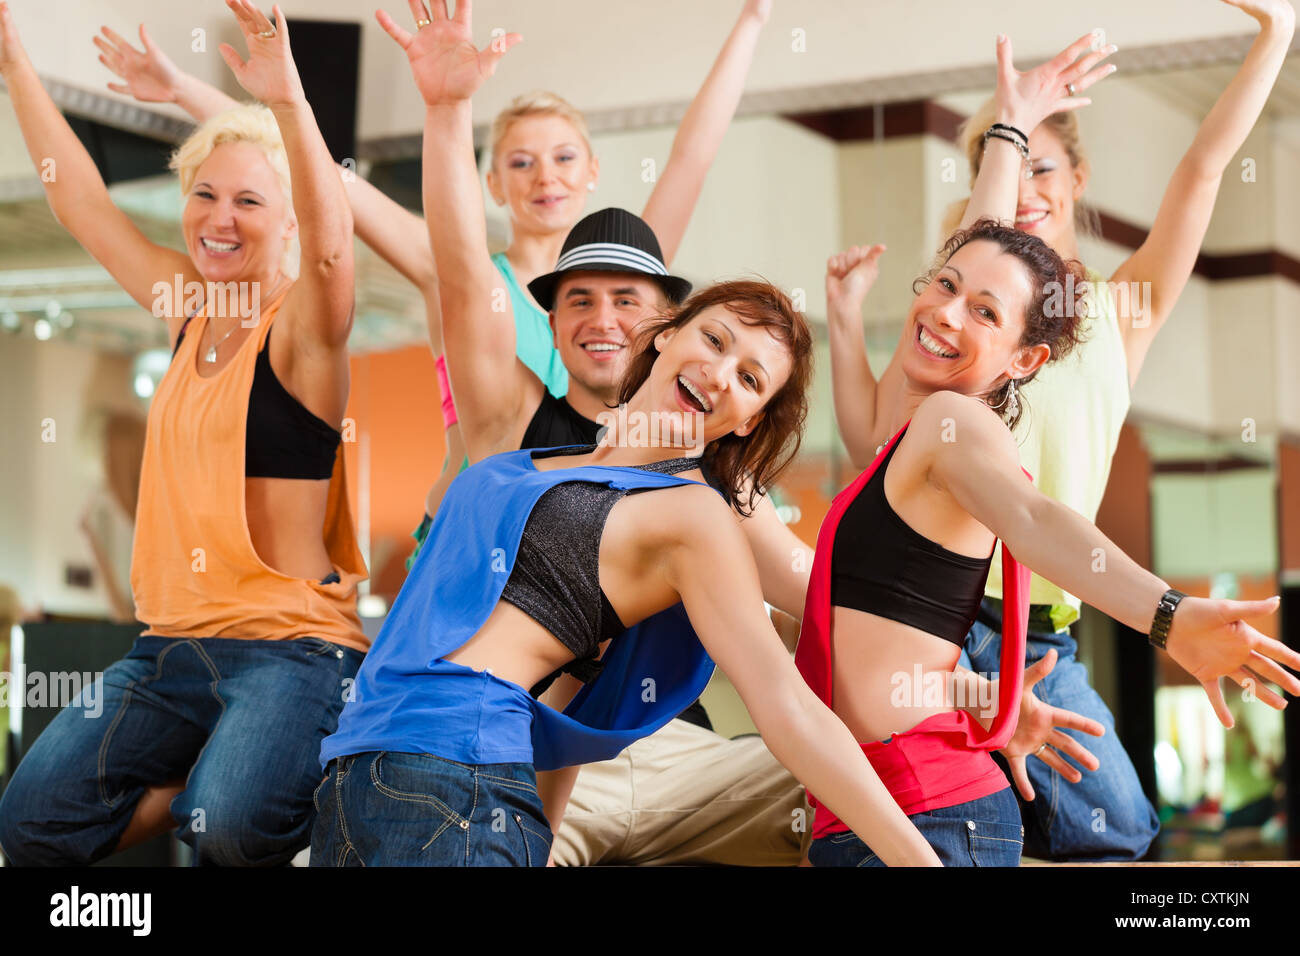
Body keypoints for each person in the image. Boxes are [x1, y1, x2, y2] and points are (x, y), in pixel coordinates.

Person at [837, 1, 1296, 860]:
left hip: (1041, 623)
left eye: (1043, 170)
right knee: (954, 817)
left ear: (1077, 180)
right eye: (1008, 171)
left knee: (1117, 829)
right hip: (944, 610)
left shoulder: (1119, 312)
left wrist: (1276, 36)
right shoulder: (961, 335)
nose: (1025, 191)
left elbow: (1202, 171)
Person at [383, 0, 825, 866]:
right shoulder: (515, 421)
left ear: (667, 325)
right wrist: (445, 113)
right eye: (577, 299)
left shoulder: (716, 481)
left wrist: (957, 688)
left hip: (679, 757)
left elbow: (812, 615)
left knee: (890, 780)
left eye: (627, 300)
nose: (602, 318)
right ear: (548, 323)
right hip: (520, 752)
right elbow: (465, 275)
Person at [92, 0, 773, 523]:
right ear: (493, 184)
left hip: (593, 538)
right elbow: (314, 167)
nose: (546, 177)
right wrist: (184, 90)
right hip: (473, 536)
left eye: (564, 158)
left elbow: (692, 155)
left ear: (592, 171)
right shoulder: (457, 269)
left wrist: (752, 18)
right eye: (520, 162)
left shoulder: (627, 295)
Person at [0, 0, 366, 867]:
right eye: (205, 194)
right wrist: (15, 63)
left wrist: (289, 103)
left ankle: (299, 764)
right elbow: (80, 201)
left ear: (284, 221)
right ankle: (221, 771)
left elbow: (329, 252)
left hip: (291, 647)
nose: (220, 217)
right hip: (170, 648)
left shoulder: (304, 328)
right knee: (28, 822)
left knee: (230, 828)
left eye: (249, 200)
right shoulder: (185, 310)